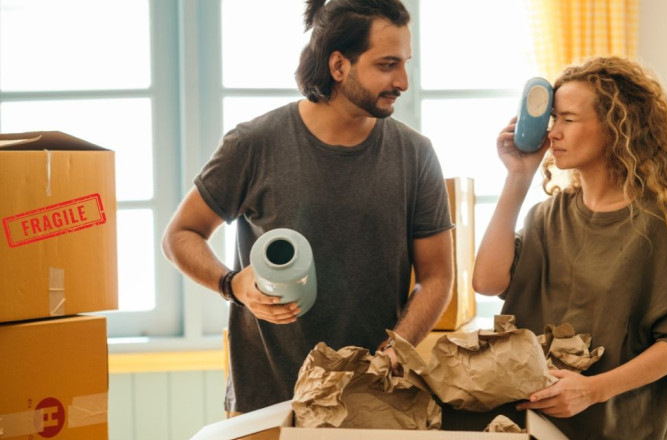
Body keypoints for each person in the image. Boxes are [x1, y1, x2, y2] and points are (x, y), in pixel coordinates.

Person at [161, 0, 453, 414]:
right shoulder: (254, 143)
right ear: (339, 65)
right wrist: (233, 285)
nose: (402, 81)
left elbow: (437, 276)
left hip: (371, 403)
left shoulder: (416, 154)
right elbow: (179, 235)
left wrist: (395, 351)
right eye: (387, 65)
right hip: (265, 405)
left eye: (405, 63)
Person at [472, 56, 667, 440]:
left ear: (617, 128)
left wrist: (592, 390)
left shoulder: (658, 225)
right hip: (529, 426)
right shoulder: (546, 217)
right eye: (553, 119)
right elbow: (487, 282)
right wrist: (518, 177)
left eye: (568, 120)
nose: (553, 133)